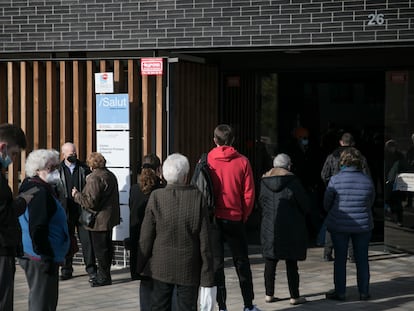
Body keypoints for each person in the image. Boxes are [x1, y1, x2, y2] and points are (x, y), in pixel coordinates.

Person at [136, 153, 214, 311]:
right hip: (189, 268)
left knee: (159, 306)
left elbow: (145, 237)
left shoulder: (156, 197)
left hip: (160, 268)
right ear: (186, 176)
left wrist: (140, 265)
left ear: (164, 175)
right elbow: (205, 241)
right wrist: (207, 276)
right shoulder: (197, 198)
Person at [207, 124, 260, 311]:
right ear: (233, 140)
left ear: (215, 140)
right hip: (235, 217)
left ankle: (222, 306)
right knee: (242, 262)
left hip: (214, 219)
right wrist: (243, 215)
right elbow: (249, 194)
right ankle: (248, 305)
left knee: (217, 264)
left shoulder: (207, 160)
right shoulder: (243, 162)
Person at [18, 149, 70, 311]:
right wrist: (46, 255)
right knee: (43, 302)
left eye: (56, 167)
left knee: (43, 300)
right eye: (50, 168)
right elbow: (37, 226)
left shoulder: (35, 187)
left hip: (37, 254)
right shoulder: (39, 192)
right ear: (37, 170)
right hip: (40, 257)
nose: (55, 171)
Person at [324, 147, 375, 301]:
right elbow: (370, 202)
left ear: (342, 162)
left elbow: (326, 203)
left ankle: (340, 292)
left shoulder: (335, 180)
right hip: (363, 224)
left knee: (340, 259)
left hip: (339, 224)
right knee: (362, 259)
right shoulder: (367, 181)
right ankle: (364, 292)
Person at [259, 153, 309, 305]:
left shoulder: (263, 181)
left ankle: (269, 294)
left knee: (270, 261)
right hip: (290, 227)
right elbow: (305, 205)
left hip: (269, 225)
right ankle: (294, 296)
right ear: (288, 166)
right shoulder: (293, 181)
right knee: (291, 262)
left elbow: (261, 202)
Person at [0, 124, 38, 311]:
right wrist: (23, 200)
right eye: (13, 153)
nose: (13, 159)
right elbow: (4, 213)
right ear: (3, 147)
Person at [72, 152, 120, 287]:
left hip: (98, 221)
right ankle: (105, 275)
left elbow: (90, 202)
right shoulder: (109, 175)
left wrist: (77, 195)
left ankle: (103, 278)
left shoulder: (94, 178)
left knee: (101, 251)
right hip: (108, 219)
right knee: (106, 249)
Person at [320, 133, 370, 262]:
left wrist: (331, 184)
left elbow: (324, 174)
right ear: (353, 143)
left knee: (332, 223)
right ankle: (352, 255)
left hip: (335, 191)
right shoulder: (359, 157)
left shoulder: (332, 156)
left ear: (341, 142)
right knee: (353, 224)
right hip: (355, 192)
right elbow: (367, 175)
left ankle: (327, 252)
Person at [129, 154, 164, 310]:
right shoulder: (162, 189)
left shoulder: (134, 189)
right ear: (158, 169)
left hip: (139, 243)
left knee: (145, 285)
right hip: (158, 243)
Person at [58, 142, 96, 282]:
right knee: (66, 240)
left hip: (81, 210)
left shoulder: (84, 168)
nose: (73, 155)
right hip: (65, 211)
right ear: (63, 154)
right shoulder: (58, 170)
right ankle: (66, 269)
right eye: (70, 153)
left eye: (75, 152)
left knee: (87, 242)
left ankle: (91, 269)